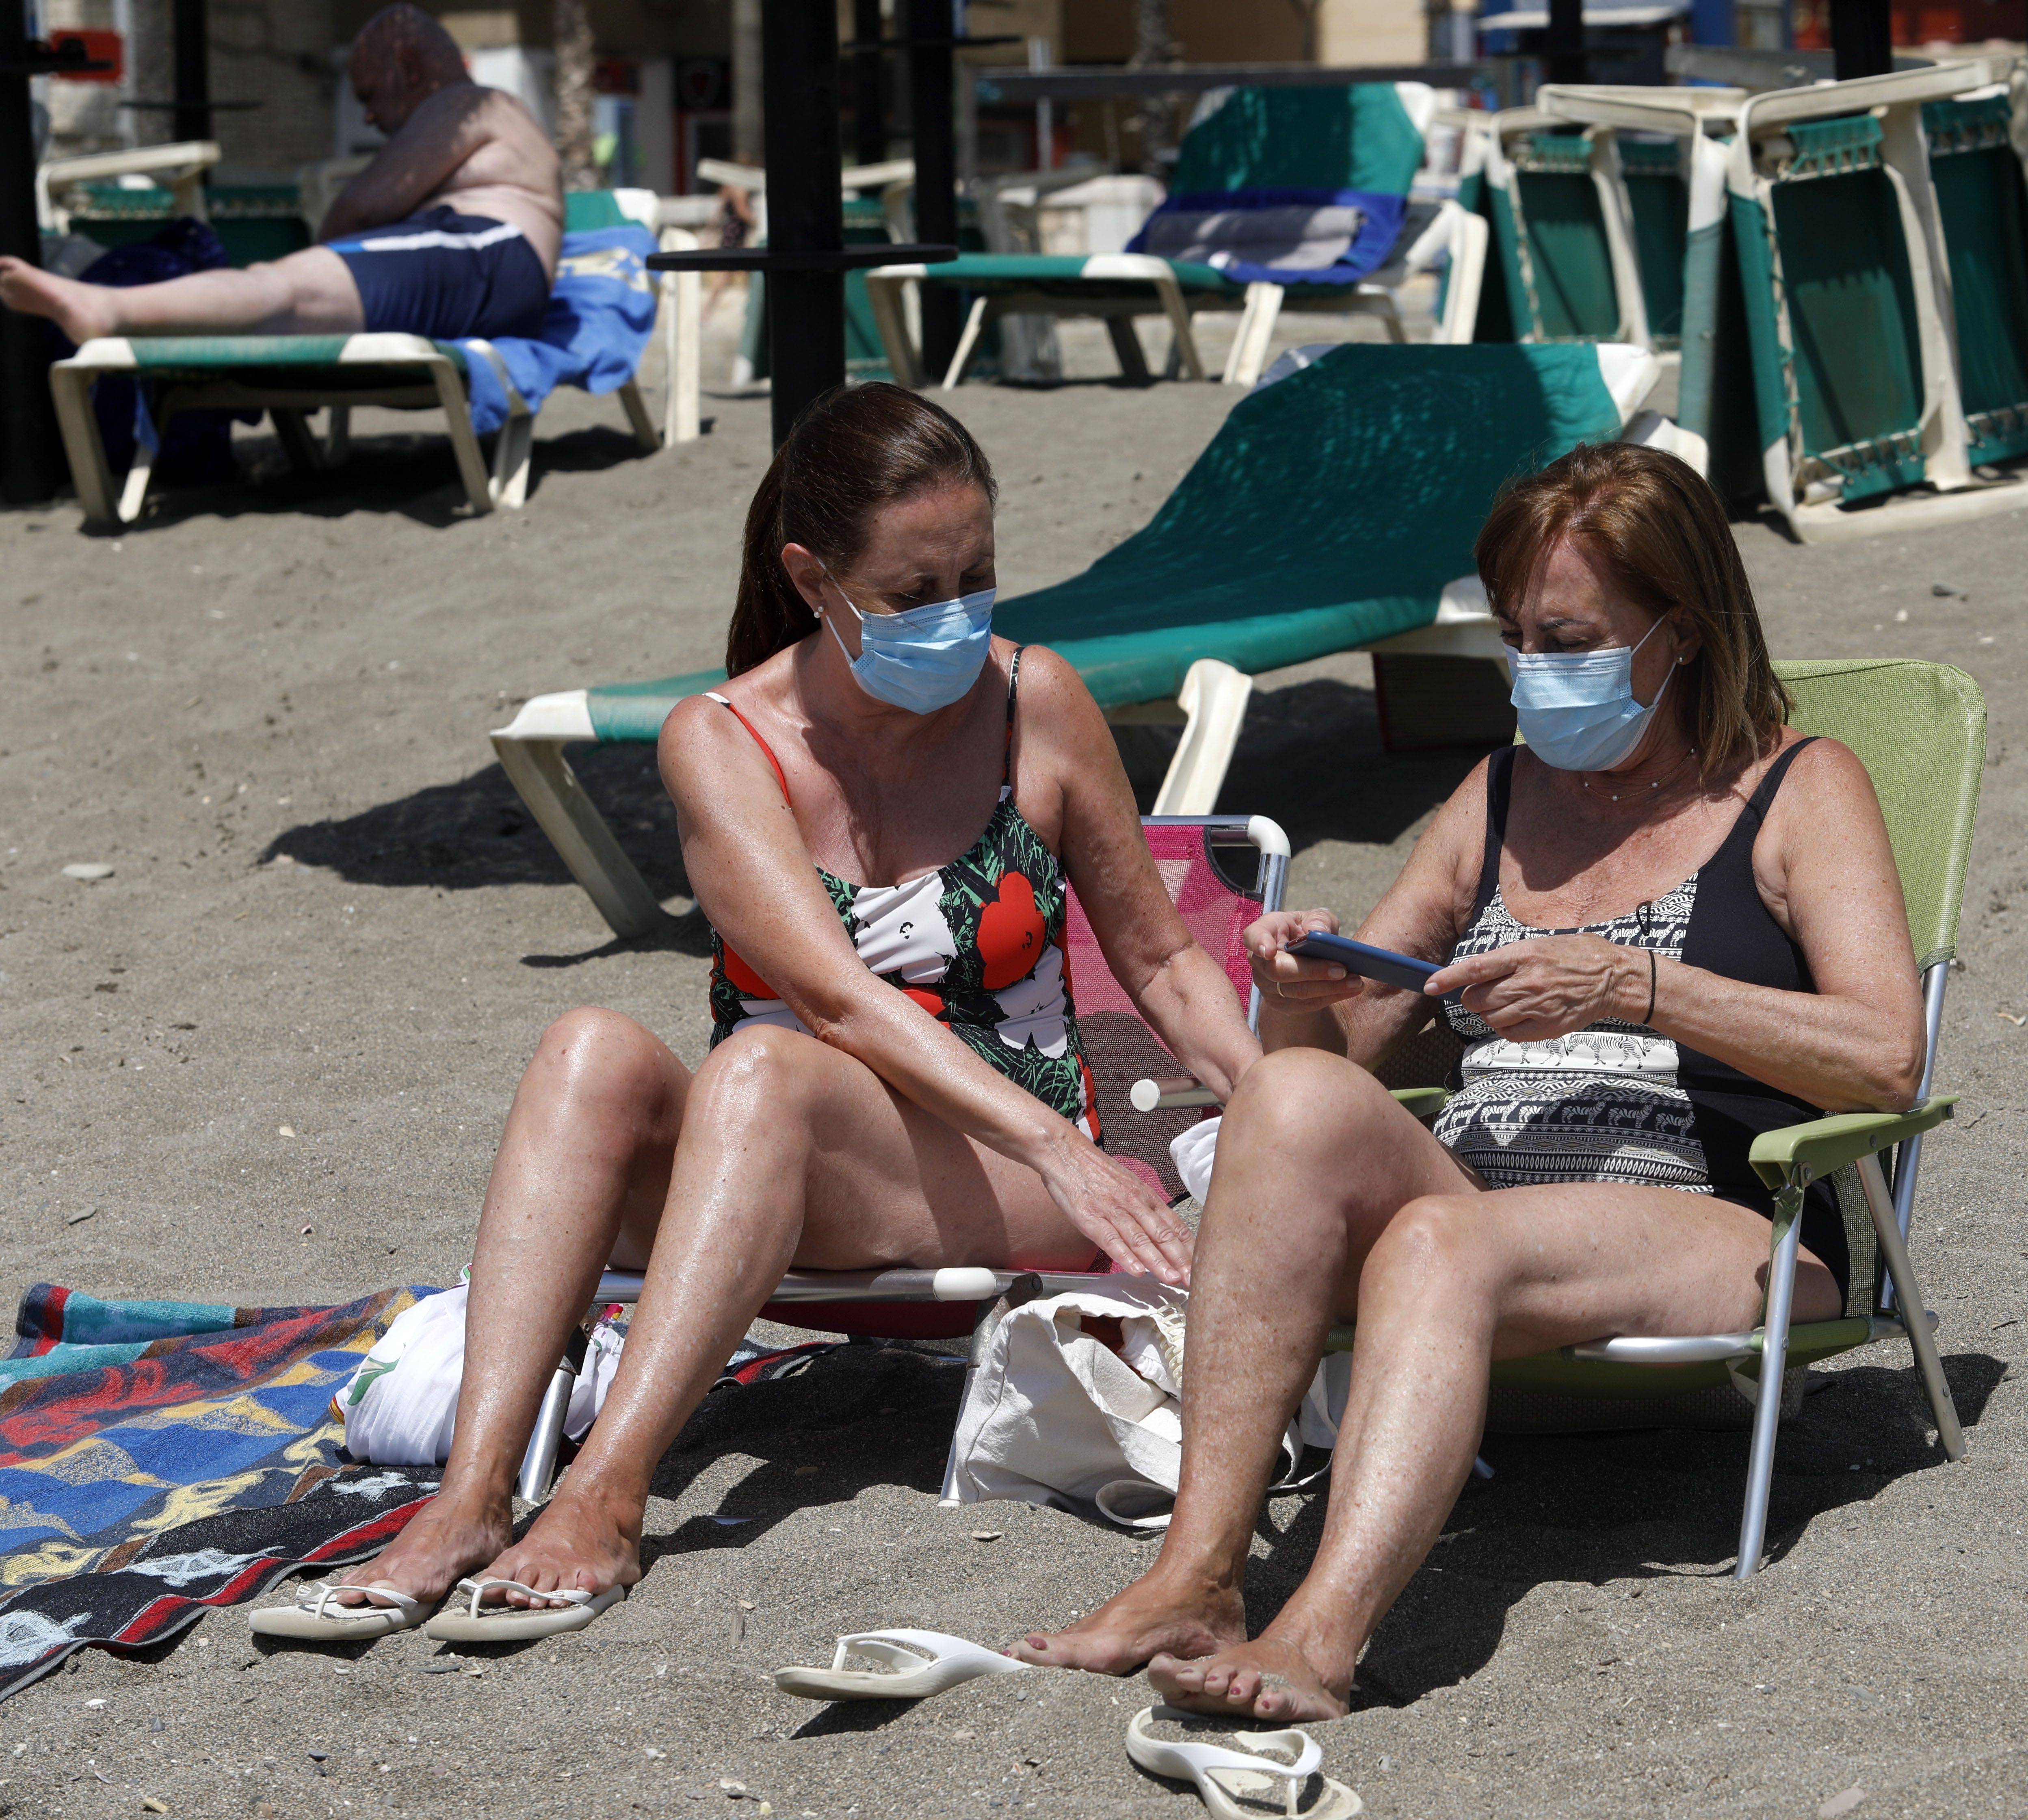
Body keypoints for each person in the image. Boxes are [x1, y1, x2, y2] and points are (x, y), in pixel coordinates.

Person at [254, 384, 1263, 1638]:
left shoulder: (1032, 703)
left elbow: (1161, 959)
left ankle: (606, 1494)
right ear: (811, 575)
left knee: (758, 1071)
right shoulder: (724, 737)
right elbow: (832, 993)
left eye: (977, 574)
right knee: (592, 1049)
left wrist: (1266, 1103)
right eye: (911, 592)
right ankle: (468, 1495)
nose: (955, 613)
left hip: (1013, 1164)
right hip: (789, 1159)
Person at [1006, 442, 1928, 1719]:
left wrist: (1633, 984)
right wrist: (1296, 991)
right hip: (1485, 1198)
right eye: (1514, 638)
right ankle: (1197, 1571)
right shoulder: (1497, 792)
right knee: (1279, 1101)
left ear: (1684, 627)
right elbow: (1328, 1079)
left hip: (1731, 1216)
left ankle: (1320, 1636)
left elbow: (1885, 1053)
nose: (1533, 671)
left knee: (1442, 1237)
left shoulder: (1795, 787)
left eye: (1568, 638)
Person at [0, 6, 563, 345]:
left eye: (369, 95)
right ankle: (116, 310)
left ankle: (109, 309)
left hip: (489, 256)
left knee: (286, 287)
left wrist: (321, 260)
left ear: (410, 68)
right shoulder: (489, 115)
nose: (367, 116)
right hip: (490, 271)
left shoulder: (467, 103)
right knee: (283, 292)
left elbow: (362, 208)